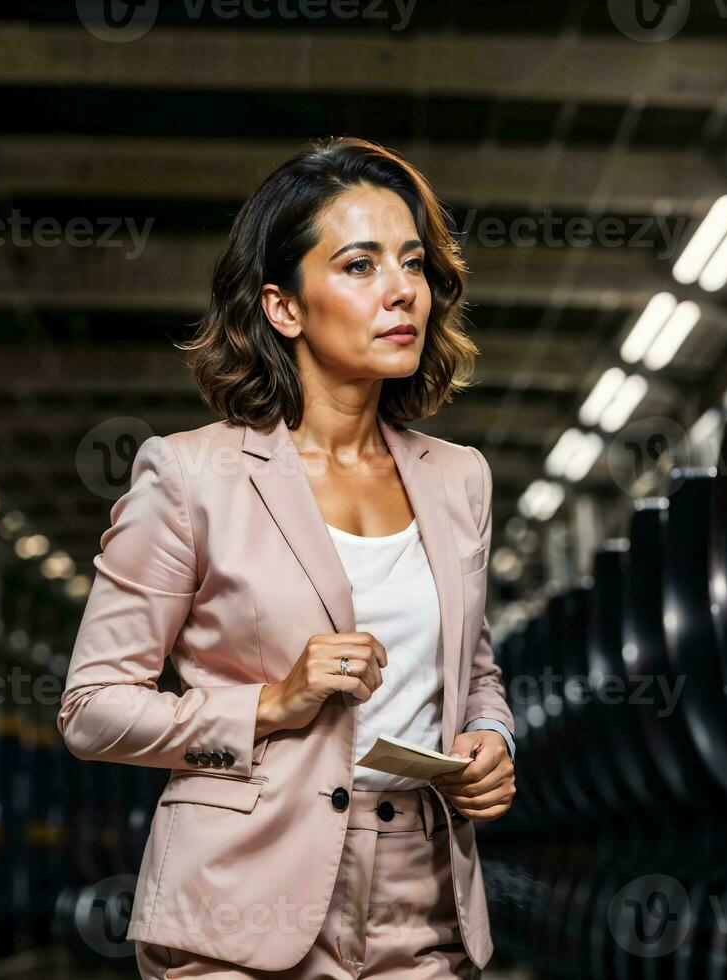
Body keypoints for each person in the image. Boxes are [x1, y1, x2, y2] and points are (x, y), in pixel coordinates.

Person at [57, 136, 517, 979]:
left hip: (421, 902)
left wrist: (489, 739)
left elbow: (473, 668)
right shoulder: (191, 475)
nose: (400, 291)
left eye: (411, 264)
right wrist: (270, 702)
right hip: (239, 896)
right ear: (282, 307)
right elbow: (91, 709)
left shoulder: (459, 479)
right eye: (358, 266)